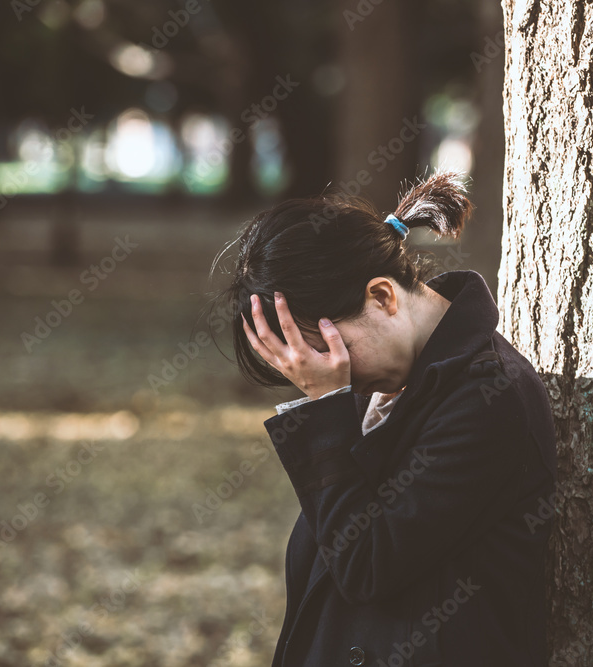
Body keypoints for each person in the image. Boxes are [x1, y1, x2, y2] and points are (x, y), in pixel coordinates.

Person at [218, 170, 558, 666]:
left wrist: (324, 408)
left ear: (382, 297)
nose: (328, 374)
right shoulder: (383, 381)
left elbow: (365, 564)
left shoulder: (489, 397)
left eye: (329, 350)